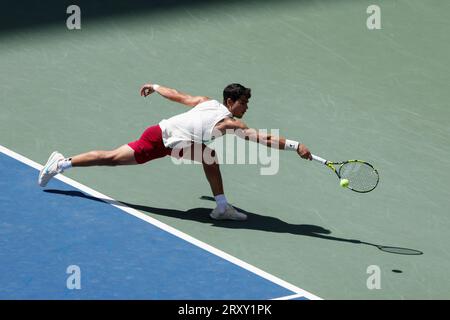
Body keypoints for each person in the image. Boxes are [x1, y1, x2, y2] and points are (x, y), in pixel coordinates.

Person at [38, 83, 312, 220]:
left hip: (176, 144)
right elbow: (260, 137)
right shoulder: (230, 121)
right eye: (243, 103)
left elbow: (178, 95)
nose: (246, 108)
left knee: (210, 156)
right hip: (160, 140)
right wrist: (294, 145)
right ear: (231, 101)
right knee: (112, 159)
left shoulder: (208, 102)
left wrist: (156, 87)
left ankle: (221, 206)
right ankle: (61, 164)